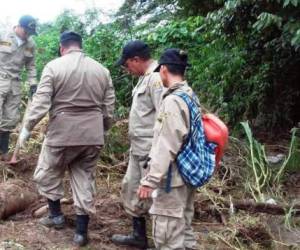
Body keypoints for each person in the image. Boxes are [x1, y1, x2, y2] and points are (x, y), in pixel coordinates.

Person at [19, 31, 115, 247]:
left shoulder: (54, 66)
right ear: (80, 46)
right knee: (84, 179)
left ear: (63, 48)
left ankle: (56, 216)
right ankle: (81, 233)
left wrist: (27, 128)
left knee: (46, 173)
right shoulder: (102, 70)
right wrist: (103, 129)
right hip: (92, 135)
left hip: (62, 134)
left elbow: (41, 102)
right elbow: (109, 108)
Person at [137, 48, 199, 249]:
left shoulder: (172, 101)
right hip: (187, 176)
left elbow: (166, 145)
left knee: (167, 236)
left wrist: (150, 180)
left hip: (172, 180)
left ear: (163, 69)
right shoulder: (189, 95)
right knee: (184, 229)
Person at [111, 40, 164, 249]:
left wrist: (157, 155)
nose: (126, 69)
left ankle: (163, 240)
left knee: (156, 197)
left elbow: (166, 118)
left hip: (151, 152)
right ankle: (138, 236)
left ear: (136, 60)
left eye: (126, 65)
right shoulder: (145, 78)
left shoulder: (157, 79)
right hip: (138, 150)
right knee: (131, 188)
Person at [0, 15, 38, 160]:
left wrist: (33, 83)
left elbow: (31, 66)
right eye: (26, 31)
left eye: (30, 32)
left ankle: (3, 153)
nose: (28, 34)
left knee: (10, 119)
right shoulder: (3, 34)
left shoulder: (31, 44)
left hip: (15, 83)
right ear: (19, 26)